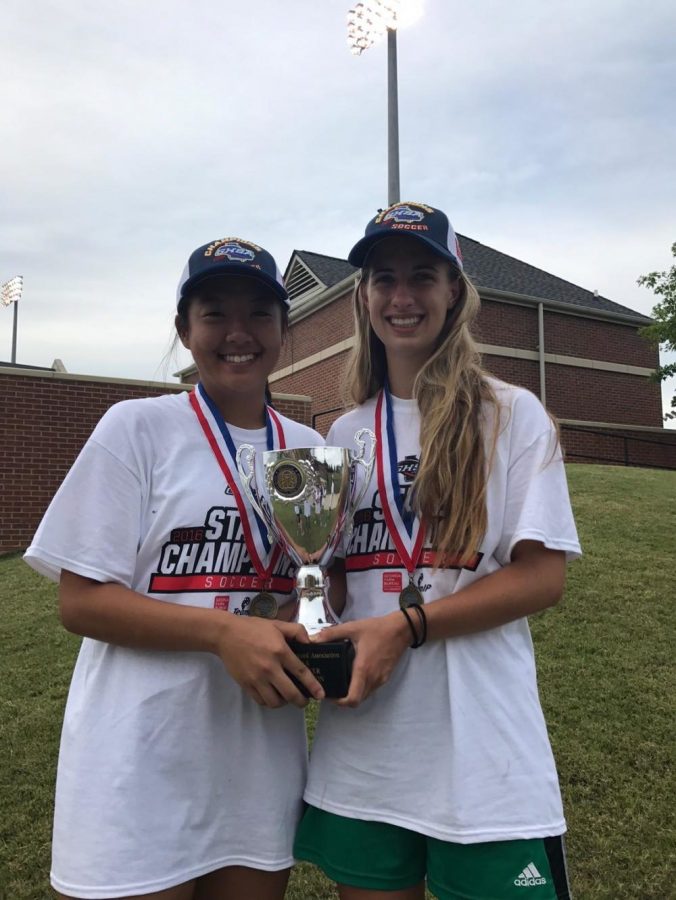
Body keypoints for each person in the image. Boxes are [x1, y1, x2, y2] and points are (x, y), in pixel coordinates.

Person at [294, 202, 582, 900]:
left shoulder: (511, 415)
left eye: (422, 276)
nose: (401, 297)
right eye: (383, 278)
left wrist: (407, 625)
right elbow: (331, 585)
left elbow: (542, 579)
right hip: (366, 752)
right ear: (362, 296)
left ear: (454, 290)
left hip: (483, 759)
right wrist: (313, 598)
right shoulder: (342, 434)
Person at [24, 236, 325, 900]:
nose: (238, 333)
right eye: (215, 313)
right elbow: (82, 604)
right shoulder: (136, 428)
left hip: (256, 759)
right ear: (184, 330)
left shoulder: (307, 449)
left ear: (284, 329)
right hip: (138, 759)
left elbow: (306, 587)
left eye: (258, 314)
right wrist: (222, 633)